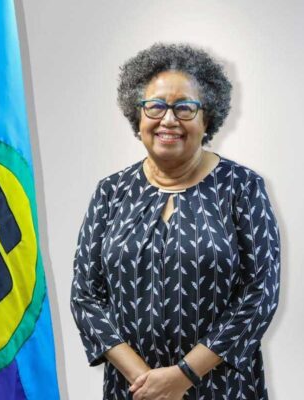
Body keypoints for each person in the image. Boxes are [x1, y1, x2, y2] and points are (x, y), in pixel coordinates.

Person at [71, 43, 281, 400]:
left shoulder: (242, 188)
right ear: (137, 115)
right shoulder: (111, 192)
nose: (168, 120)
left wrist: (182, 376)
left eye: (184, 108)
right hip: (134, 390)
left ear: (206, 118)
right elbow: (86, 296)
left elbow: (259, 293)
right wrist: (145, 381)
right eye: (155, 106)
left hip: (221, 388)